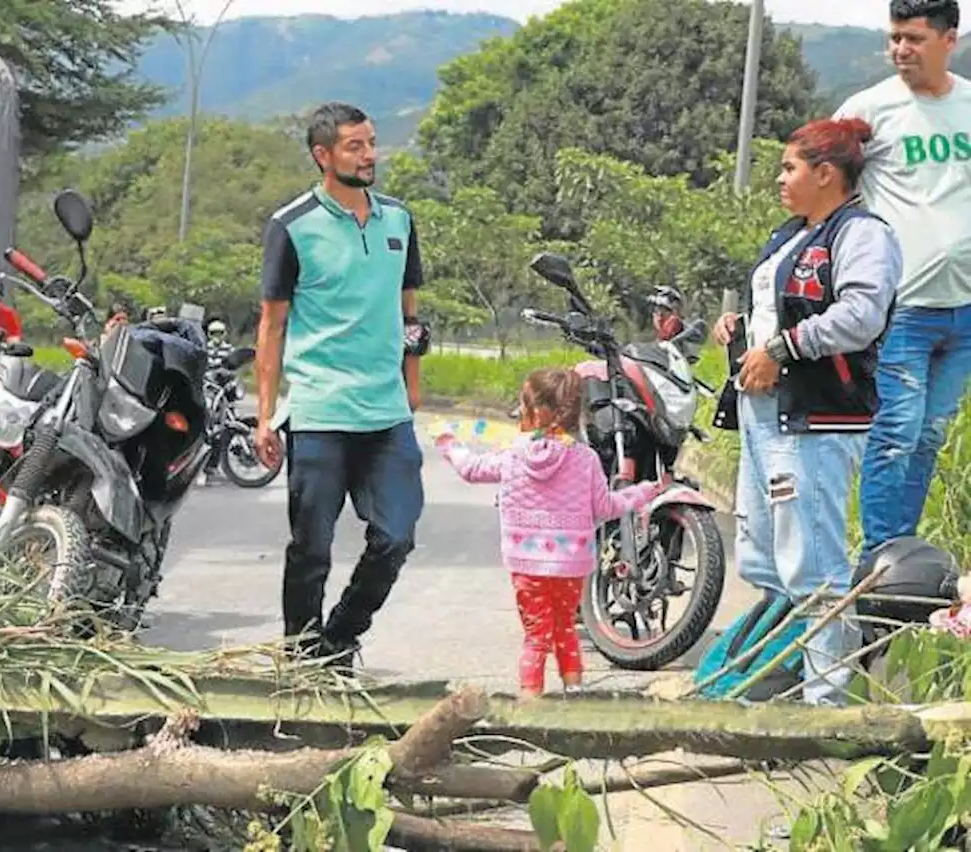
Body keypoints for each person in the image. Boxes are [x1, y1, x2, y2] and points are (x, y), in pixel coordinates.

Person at [711, 117, 903, 705]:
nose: (780, 178)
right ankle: (770, 683)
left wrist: (781, 348)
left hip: (816, 420)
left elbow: (861, 316)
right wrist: (742, 332)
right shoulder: (792, 234)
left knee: (814, 568)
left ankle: (826, 705)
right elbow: (779, 308)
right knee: (764, 559)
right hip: (765, 415)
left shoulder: (863, 235)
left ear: (826, 174)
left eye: (790, 167)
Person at [252, 101, 430, 671]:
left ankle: (337, 638)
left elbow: (410, 314)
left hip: (386, 413)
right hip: (320, 412)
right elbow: (272, 325)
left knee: (396, 536)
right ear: (323, 155)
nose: (370, 155)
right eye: (355, 146)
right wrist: (264, 414)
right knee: (311, 550)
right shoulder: (292, 225)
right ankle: (301, 660)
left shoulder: (399, 220)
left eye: (372, 142)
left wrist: (413, 381)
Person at [833, 0, 971, 555]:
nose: (900, 50)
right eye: (894, 38)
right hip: (902, 309)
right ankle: (879, 564)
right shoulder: (868, 111)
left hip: (964, 310)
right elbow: (823, 185)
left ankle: (906, 561)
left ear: (949, 40)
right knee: (894, 436)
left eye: (913, 38)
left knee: (929, 437)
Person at [436, 369, 666, 698]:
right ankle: (574, 690)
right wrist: (643, 492)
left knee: (535, 636)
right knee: (564, 629)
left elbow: (471, 469)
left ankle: (530, 700)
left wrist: (449, 444)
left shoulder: (512, 453)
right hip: (571, 564)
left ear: (533, 412)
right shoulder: (585, 459)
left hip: (526, 564)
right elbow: (605, 507)